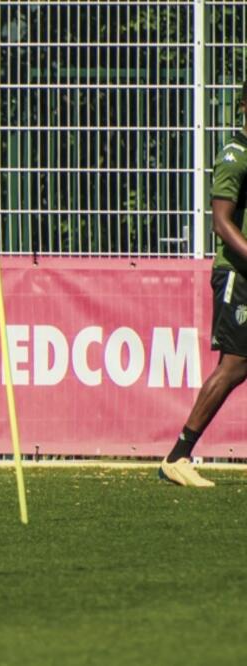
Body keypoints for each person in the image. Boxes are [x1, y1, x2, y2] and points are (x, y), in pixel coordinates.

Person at [162, 81, 247, 487]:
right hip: (238, 276)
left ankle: (179, 454)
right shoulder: (235, 156)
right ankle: (178, 456)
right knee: (234, 365)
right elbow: (221, 223)